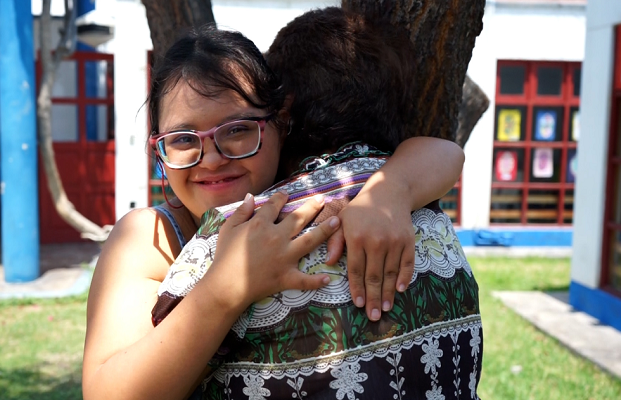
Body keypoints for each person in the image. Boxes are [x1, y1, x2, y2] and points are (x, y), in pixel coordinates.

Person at [82, 23, 464, 400]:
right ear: (159, 148)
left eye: (237, 130)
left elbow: (445, 153)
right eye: (183, 139)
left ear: (281, 121)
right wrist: (228, 287)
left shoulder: (310, 198)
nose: (211, 159)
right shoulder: (149, 236)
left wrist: (386, 195)